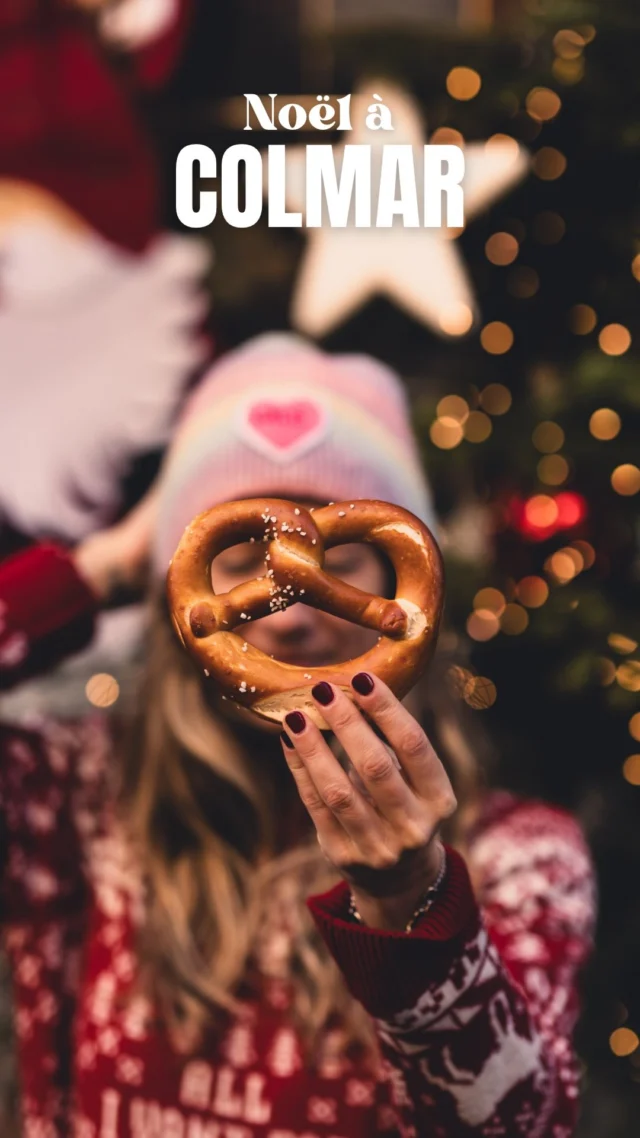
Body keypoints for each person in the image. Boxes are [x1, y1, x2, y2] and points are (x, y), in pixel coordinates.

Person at [0, 334, 596, 1137]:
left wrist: (410, 907)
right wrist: (100, 567)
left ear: (407, 591)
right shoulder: (72, 798)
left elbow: (524, 1126)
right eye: (243, 559)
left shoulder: (518, 859)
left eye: (344, 566)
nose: (291, 614)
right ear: (179, 591)